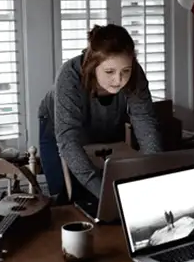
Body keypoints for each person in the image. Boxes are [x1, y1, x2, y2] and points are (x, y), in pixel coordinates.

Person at [38, 24, 163, 204]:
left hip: (104, 122)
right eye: (109, 71)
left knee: (112, 185)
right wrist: (105, 194)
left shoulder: (135, 74)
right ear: (92, 65)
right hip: (58, 127)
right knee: (64, 198)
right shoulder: (69, 76)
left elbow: (145, 121)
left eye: (125, 71)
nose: (119, 80)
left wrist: (155, 173)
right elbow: (68, 142)